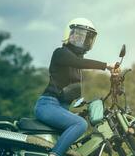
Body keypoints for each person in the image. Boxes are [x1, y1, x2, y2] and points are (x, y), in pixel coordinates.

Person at [34, 18, 113, 156]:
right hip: (48, 105)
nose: (81, 40)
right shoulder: (60, 53)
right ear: (68, 35)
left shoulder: (76, 68)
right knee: (80, 124)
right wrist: (106, 66)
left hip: (59, 107)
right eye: (77, 34)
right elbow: (78, 62)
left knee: (80, 124)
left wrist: (83, 110)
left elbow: (70, 94)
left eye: (86, 37)